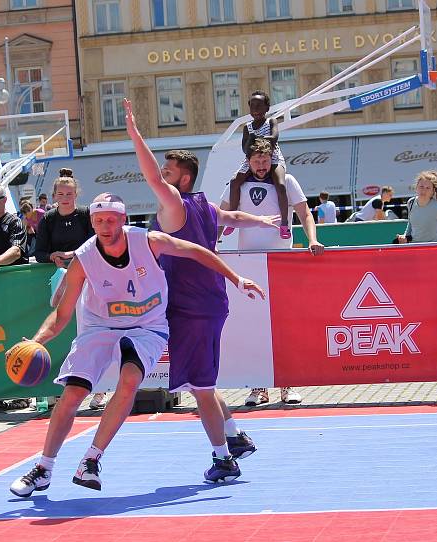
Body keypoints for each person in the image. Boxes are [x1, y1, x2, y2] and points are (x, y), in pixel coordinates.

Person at [9, 195, 266, 498]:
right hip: (100, 327)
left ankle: (91, 460)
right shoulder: (84, 258)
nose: (104, 226)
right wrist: (37, 341)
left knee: (130, 379)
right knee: (73, 392)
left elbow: (197, 251)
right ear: (92, 222)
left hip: (147, 327)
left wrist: (236, 278)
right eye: (98, 220)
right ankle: (44, 468)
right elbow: (62, 314)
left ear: (123, 219)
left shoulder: (149, 241)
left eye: (110, 219)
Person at [125, 98, 277, 467]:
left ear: (184, 178)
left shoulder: (174, 205)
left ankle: (223, 459)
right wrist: (262, 221)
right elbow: (234, 216)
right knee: (201, 382)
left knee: (202, 388)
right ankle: (235, 437)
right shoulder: (205, 206)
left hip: (191, 306)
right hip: (210, 301)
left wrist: (134, 134)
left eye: (168, 171)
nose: (162, 175)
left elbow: (149, 176)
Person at [223, 138, 325, 406]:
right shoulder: (237, 183)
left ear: (272, 160)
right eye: (256, 160)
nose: (260, 165)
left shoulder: (288, 181)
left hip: (281, 261)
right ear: (248, 160)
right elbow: (220, 216)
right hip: (248, 263)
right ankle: (258, 387)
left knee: (284, 326)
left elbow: (305, 214)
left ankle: (287, 384)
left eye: (265, 160)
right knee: (255, 326)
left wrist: (312, 239)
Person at [33, 170, 105, 407]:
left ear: (76, 194)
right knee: (61, 333)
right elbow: (39, 252)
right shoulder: (48, 219)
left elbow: (98, 243)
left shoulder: (85, 215)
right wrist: (53, 255)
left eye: (70, 193)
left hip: (89, 280)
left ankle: (100, 389)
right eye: (61, 194)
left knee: (91, 334)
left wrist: (75, 254)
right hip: (60, 282)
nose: (65, 197)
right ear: (54, 196)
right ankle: (55, 389)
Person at [227, 91, 290, 239]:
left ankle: (284, 223)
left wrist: (255, 139)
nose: (255, 109)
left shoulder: (271, 122)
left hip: (272, 156)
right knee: (234, 182)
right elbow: (245, 149)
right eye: (252, 106)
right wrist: (252, 142)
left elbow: (273, 138)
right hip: (253, 158)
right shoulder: (247, 127)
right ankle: (231, 220)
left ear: (267, 108)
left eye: (259, 106)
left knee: (280, 185)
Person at [396, 170, 437, 244]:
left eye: (428, 188)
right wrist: (404, 237)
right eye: (421, 186)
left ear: (433, 191)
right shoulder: (411, 203)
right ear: (416, 187)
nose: (424, 190)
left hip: (433, 250)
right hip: (413, 249)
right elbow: (411, 224)